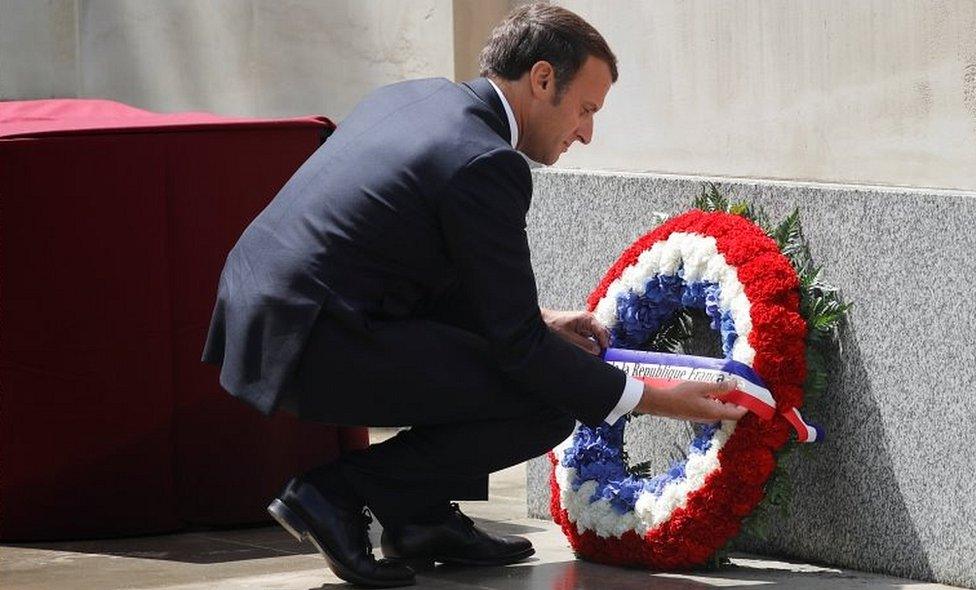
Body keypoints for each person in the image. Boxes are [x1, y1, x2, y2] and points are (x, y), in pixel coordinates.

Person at [201, 3, 746, 587]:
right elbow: (521, 351)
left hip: (267, 317)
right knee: (545, 399)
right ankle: (333, 495)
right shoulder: (485, 162)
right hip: (314, 339)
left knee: (518, 358)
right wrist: (659, 399)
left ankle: (419, 517)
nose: (587, 132)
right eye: (586, 109)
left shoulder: (420, 99)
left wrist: (538, 320)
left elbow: (415, 261)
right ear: (542, 80)